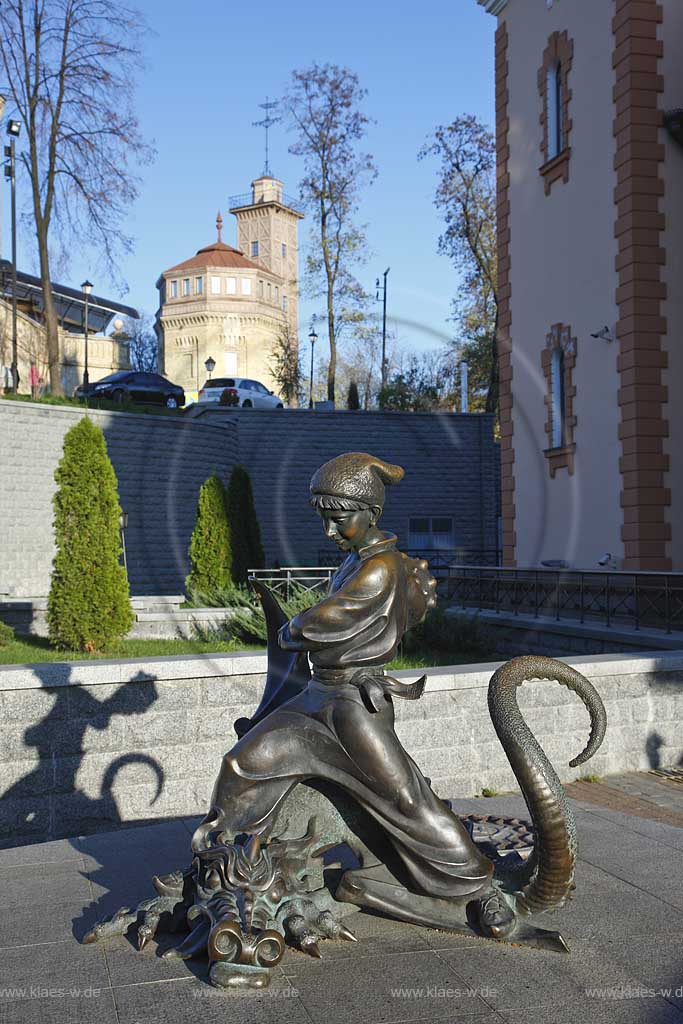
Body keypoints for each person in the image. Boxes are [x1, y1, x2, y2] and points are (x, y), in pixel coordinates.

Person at [193, 452, 514, 937]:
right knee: (243, 762)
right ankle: (229, 866)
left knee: (405, 798)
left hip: (351, 706)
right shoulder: (355, 559)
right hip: (317, 697)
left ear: (370, 514)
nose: (328, 532)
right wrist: (299, 629)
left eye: (337, 519)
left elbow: (325, 619)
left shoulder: (380, 568)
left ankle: (479, 885)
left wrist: (296, 626)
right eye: (325, 519)